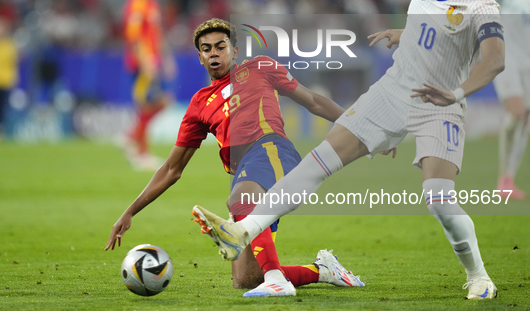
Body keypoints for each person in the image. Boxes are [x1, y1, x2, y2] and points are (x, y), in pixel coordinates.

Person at [192, 0, 505, 301]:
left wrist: (454, 94)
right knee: (316, 162)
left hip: (441, 104)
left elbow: (494, 60)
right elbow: (435, 28)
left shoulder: (482, 7)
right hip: (392, 92)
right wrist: (403, 34)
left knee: (438, 197)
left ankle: (479, 276)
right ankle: (243, 231)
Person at [105, 18, 365, 297]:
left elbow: (312, 101)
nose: (214, 53)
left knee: (240, 200)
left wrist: (361, 128)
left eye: (221, 46)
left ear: (235, 51)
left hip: (271, 150)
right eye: (207, 49)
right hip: (245, 174)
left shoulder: (260, 68)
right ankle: (323, 270)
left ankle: (276, 279)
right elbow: (171, 169)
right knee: (248, 279)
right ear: (200, 57)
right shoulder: (199, 104)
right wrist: (130, 210)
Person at [484, 0, 530, 200]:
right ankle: (505, 180)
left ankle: (507, 179)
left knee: (524, 118)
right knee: (518, 112)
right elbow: (480, 10)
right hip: (505, 57)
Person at [121, 0, 171, 170]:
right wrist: (145, 61)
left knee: (158, 103)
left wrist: (166, 59)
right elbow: (134, 37)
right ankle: (140, 151)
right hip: (142, 63)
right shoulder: (137, 4)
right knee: (148, 104)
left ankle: (132, 138)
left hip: (153, 60)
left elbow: (156, 35)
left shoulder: (152, 5)